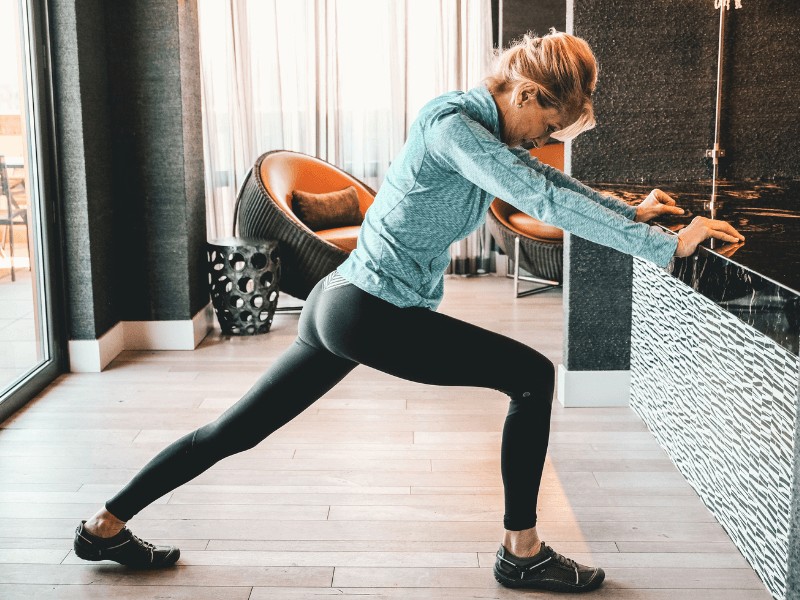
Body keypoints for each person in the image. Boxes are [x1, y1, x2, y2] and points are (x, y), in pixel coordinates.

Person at [72, 30, 744, 593]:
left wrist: (634, 213)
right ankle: (523, 552)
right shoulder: (453, 126)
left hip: (343, 305)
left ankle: (103, 526)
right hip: (367, 311)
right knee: (534, 376)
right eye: (550, 123)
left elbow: (546, 184)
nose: (548, 139)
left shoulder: (489, 136)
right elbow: (541, 199)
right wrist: (663, 245)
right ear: (525, 93)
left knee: (232, 432)